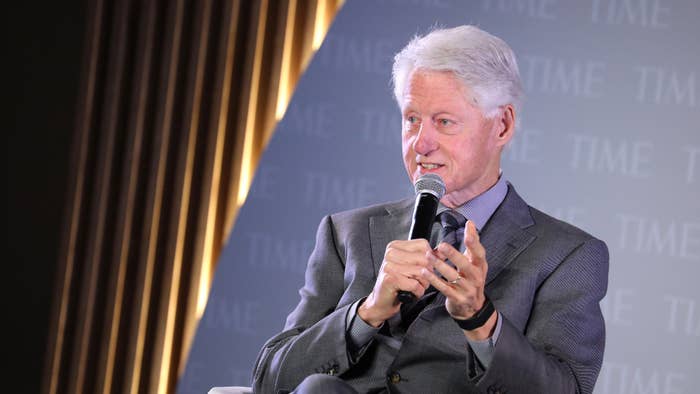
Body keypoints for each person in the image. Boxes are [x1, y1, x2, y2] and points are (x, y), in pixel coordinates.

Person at [252, 25, 609, 394]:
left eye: (444, 122)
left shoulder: (567, 255)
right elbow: (269, 379)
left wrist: (481, 320)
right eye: (411, 119)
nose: (421, 144)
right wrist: (367, 312)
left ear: (501, 126)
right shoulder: (346, 233)